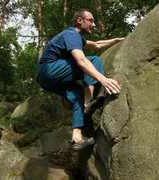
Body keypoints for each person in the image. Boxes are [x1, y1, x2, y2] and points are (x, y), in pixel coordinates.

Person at [37, 9, 124, 151]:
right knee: (94, 61)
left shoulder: (77, 37)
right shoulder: (71, 34)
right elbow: (81, 61)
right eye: (91, 20)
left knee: (78, 94)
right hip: (49, 69)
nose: (94, 24)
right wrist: (104, 80)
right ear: (80, 20)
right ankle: (88, 104)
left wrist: (117, 40)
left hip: (45, 80)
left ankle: (76, 137)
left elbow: (97, 45)